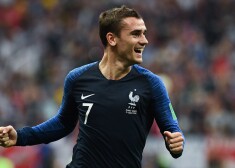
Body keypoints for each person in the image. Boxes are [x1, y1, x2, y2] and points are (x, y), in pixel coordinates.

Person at [0, 5, 185, 168]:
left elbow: (172, 128)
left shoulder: (151, 84)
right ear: (112, 39)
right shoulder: (78, 78)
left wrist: (177, 143)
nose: (144, 40)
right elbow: (63, 124)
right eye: (136, 34)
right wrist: (21, 136)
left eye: (144, 33)